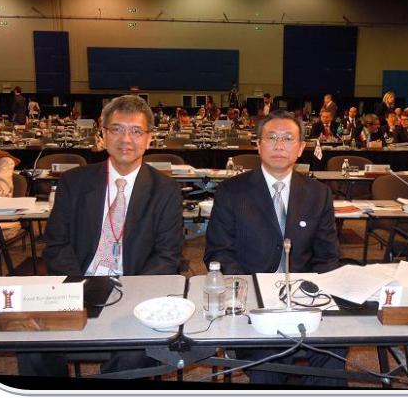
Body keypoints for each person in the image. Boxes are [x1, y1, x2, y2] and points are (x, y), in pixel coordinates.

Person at [20, 95, 184, 376]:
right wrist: (82, 288)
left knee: (134, 355)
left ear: (149, 139)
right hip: (76, 286)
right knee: (31, 344)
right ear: (102, 134)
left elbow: (167, 255)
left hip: (134, 292)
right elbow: (56, 244)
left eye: (136, 131)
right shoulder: (75, 182)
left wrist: (128, 294)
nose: (126, 139)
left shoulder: (165, 189)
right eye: (117, 129)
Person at [204, 110, 345, 386]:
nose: (279, 145)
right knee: (270, 358)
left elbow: (327, 256)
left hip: (305, 301)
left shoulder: (318, 193)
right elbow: (218, 254)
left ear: (301, 147)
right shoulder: (231, 192)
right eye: (271, 137)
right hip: (253, 304)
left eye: (288, 138)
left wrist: (321, 300)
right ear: (258, 144)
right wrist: (250, 294)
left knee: (334, 353)